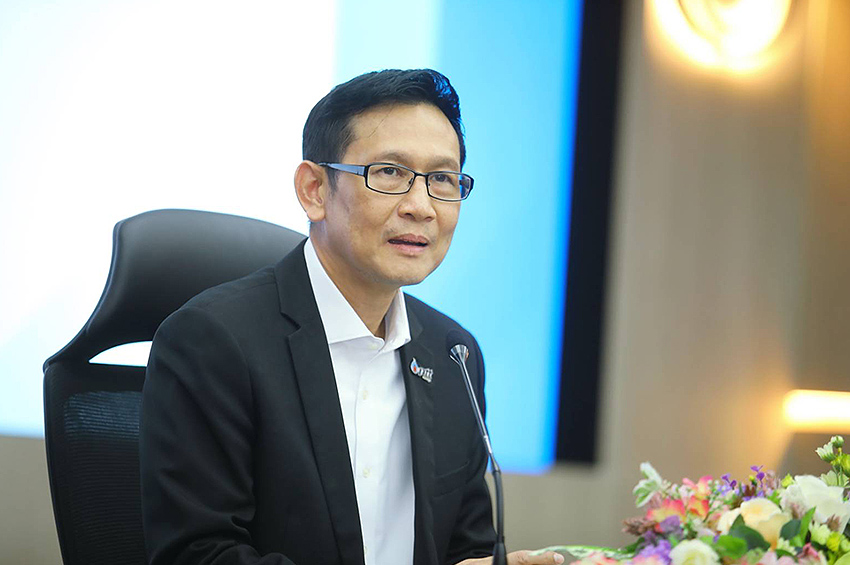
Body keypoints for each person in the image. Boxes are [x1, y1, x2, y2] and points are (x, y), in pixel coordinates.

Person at [140, 68, 563, 565]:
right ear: (314, 190)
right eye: (390, 173)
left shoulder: (454, 354)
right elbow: (199, 555)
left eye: (442, 179)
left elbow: (464, 546)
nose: (422, 207)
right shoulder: (213, 341)